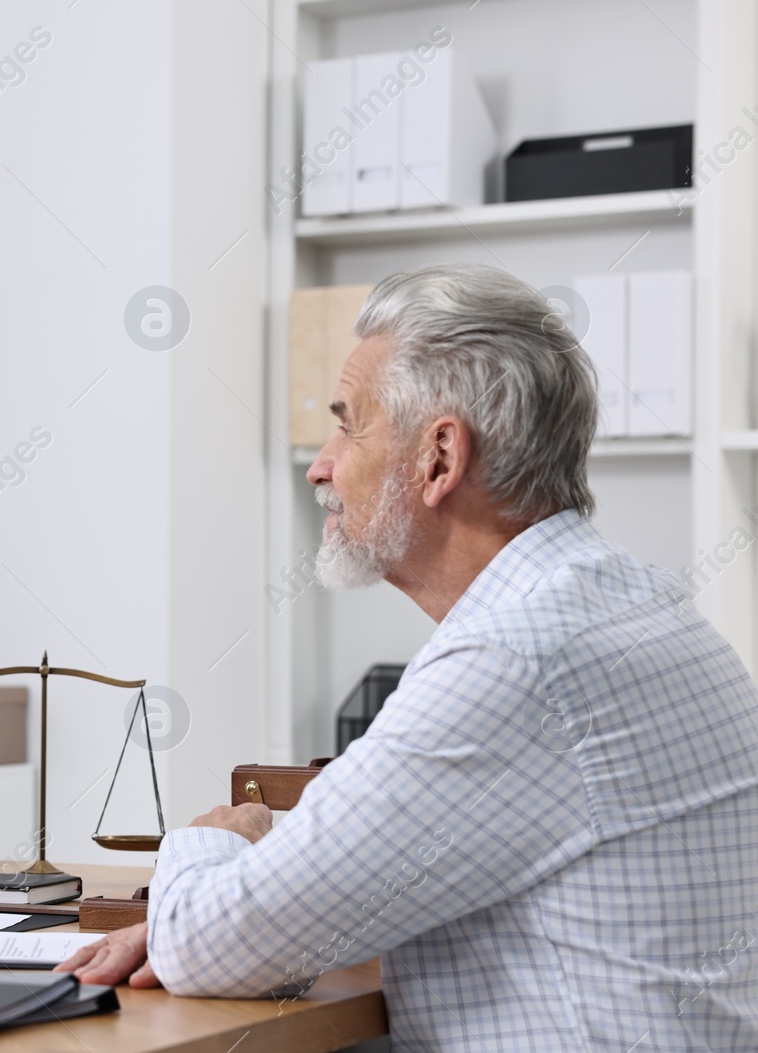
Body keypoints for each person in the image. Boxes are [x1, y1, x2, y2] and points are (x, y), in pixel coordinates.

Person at [58, 263, 758, 1049]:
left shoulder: (512, 655)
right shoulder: (637, 606)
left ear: (439, 458)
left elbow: (209, 944)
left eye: (348, 424)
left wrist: (228, 833)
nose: (321, 465)